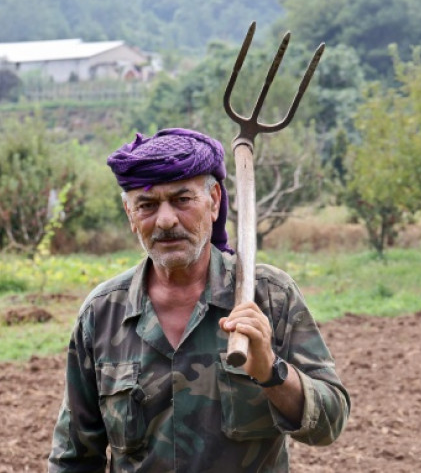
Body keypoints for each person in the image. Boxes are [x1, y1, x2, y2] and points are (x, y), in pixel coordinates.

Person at [48, 128, 350, 472]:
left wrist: (271, 372)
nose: (166, 220)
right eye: (147, 205)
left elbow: (330, 423)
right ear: (130, 215)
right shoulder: (101, 313)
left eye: (182, 199)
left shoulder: (270, 295)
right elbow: (74, 458)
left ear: (214, 201)